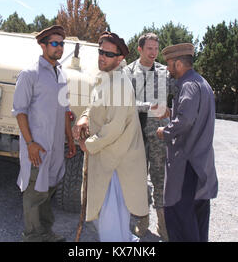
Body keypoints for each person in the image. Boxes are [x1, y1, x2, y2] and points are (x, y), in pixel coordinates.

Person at [73, 31, 149, 242]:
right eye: (100, 51)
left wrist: (88, 145)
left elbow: (114, 128)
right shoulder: (106, 79)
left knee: (109, 219)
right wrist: (85, 118)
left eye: (107, 53)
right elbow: (96, 107)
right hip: (106, 159)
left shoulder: (119, 85)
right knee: (106, 216)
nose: (102, 57)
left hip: (116, 164)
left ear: (119, 58)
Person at [12, 25, 76, 242]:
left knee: (48, 190)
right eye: (55, 44)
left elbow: (65, 111)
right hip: (37, 147)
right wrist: (30, 143)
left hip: (56, 147)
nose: (59, 48)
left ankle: (46, 233)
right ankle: (32, 236)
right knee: (33, 193)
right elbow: (19, 112)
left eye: (61, 44)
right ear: (43, 45)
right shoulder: (30, 74)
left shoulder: (61, 75)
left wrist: (70, 139)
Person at [156, 43, 218, 242]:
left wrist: (164, 131)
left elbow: (186, 120)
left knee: (179, 218)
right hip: (201, 164)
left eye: (169, 64)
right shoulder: (202, 83)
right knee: (198, 221)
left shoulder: (188, 85)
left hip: (186, 166)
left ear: (179, 64)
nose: (167, 68)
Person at [123, 33, 170, 241]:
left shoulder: (164, 72)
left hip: (159, 137)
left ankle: (163, 224)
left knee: (160, 180)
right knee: (139, 181)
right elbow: (125, 104)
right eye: (149, 48)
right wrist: (147, 106)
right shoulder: (128, 72)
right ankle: (142, 221)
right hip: (137, 136)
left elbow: (175, 98)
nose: (153, 53)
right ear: (140, 49)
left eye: (156, 49)